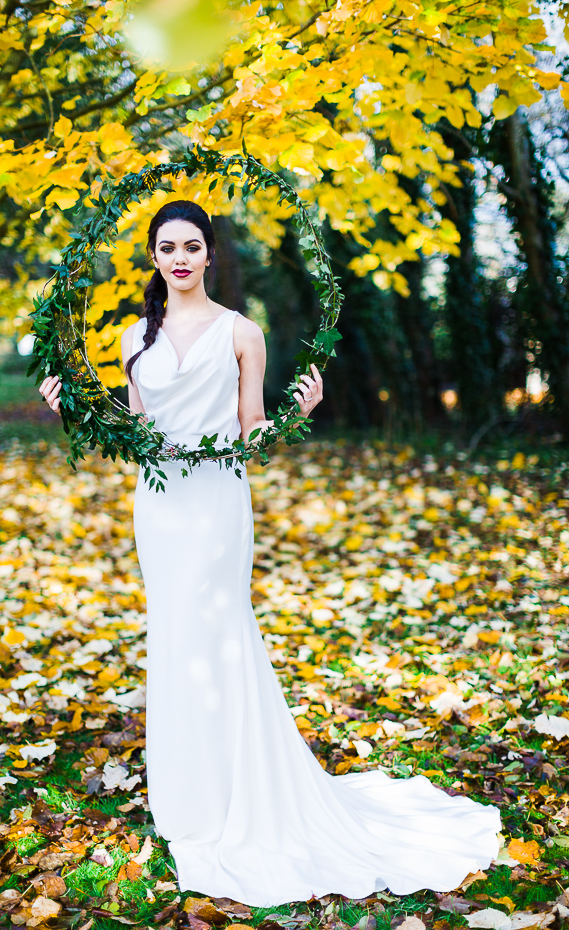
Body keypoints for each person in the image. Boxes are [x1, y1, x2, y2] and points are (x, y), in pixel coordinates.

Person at [40, 200, 501, 908]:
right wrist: (71, 405)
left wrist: (294, 415)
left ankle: (240, 791)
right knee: (174, 636)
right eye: (168, 248)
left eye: (193, 246)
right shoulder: (135, 335)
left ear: (210, 253)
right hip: (159, 508)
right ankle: (188, 800)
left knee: (221, 632)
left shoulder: (240, 331)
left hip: (219, 502)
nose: (181, 259)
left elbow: (250, 425)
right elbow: (135, 427)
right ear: (154, 258)